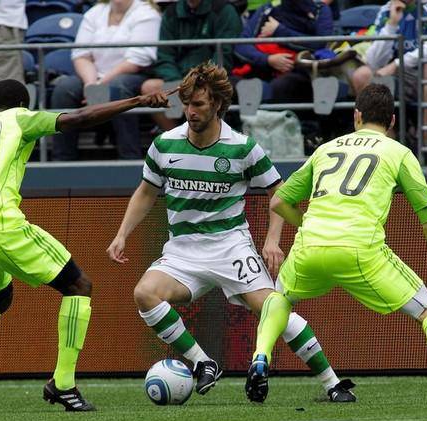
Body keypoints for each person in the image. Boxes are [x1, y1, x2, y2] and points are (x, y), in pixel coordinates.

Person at [245, 83, 427, 405]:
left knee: (281, 297)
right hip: (360, 249)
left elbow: (279, 202)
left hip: (309, 246)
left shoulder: (326, 148)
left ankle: (260, 355)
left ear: (357, 116)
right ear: (393, 121)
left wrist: (306, 225)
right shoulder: (398, 153)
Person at [107, 62, 355, 402]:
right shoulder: (165, 145)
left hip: (230, 248)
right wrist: (122, 233)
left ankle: (332, 384)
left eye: (198, 105)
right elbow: (146, 192)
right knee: (145, 294)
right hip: (182, 250)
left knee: (273, 309)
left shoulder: (243, 147)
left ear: (218, 105)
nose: (190, 112)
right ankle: (202, 363)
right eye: (186, 104)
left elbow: (279, 193)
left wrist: (272, 241)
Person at [0, 79, 172, 411]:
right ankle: (63, 384)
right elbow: (76, 118)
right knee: (78, 285)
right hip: (0, 223)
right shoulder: (20, 118)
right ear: (22, 105)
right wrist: (137, 101)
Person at [50, 0, 161, 160]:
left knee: (118, 87)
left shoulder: (147, 13)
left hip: (135, 76)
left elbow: (138, 59)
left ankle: (129, 158)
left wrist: (100, 86)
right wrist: (91, 85)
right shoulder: (96, 12)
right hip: (94, 76)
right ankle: (61, 160)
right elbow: (81, 55)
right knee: (64, 88)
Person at [351, 0, 427, 145]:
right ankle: (384, 144)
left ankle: (425, 144)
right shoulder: (386, 11)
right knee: (362, 75)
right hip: (407, 71)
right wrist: (391, 25)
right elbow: (373, 61)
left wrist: (396, 64)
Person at [140, 0, 242, 133]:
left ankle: (211, 138)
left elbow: (224, 55)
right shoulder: (171, 12)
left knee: (209, 91)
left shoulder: (224, 10)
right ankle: (177, 140)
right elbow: (165, 57)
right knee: (150, 88)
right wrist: (181, 85)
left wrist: (200, 80)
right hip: (179, 80)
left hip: (210, 78)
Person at [234, 0, 334, 103]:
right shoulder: (268, 8)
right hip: (262, 67)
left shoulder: (319, 9)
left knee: (282, 86)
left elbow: (320, 44)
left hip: (300, 71)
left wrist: (279, 30)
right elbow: (241, 45)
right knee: (228, 84)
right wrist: (268, 60)